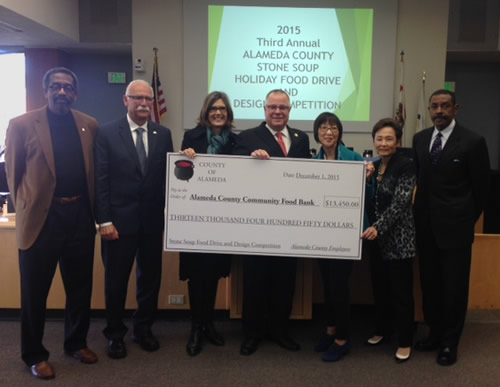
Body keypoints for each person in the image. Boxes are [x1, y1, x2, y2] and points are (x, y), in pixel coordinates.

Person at [5, 67, 98, 379]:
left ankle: (75, 343)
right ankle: (34, 354)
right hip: (42, 220)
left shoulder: (88, 124)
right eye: (56, 87)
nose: (62, 93)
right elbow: (14, 175)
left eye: (68, 88)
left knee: (80, 288)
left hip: (79, 217)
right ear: (45, 91)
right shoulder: (21, 124)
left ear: (75, 93)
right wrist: (28, 209)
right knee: (34, 292)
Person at [94, 79, 174, 359]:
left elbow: (169, 178)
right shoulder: (105, 133)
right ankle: (115, 334)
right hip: (117, 224)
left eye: (147, 99)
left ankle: (143, 329)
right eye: (137, 98)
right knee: (116, 282)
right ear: (125, 100)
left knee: (150, 279)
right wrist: (103, 220)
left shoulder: (163, 133)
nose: (143, 103)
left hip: (152, 223)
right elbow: (100, 179)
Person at [412, 89, 490, 366]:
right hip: (426, 228)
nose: (438, 111)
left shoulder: (472, 141)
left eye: (445, 106)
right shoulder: (420, 139)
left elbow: (482, 190)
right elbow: (420, 179)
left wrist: (464, 218)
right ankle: (433, 334)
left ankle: (449, 343)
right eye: (434, 107)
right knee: (430, 284)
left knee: (454, 288)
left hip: (456, 229)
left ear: (456, 109)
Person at [233, 89, 310, 356]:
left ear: (290, 110)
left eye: (283, 107)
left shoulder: (301, 138)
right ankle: (251, 334)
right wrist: (249, 161)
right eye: (272, 107)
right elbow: (235, 174)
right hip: (258, 222)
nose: (278, 112)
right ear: (264, 109)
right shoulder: (247, 138)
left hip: (290, 223)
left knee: (284, 279)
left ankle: (280, 331)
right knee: (255, 280)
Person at [311, 112, 374, 362]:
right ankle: (330, 329)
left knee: (339, 286)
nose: (328, 132)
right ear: (317, 133)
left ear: (340, 132)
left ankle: (342, 339)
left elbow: (369, 198)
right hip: (321, 234)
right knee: (326, 284)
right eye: (323, 128)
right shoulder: (311, 163)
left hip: (346, 234)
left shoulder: (355, 159)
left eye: (333, 127)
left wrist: (368, 178)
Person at [179, 91, 236, 356]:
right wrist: (184, 157)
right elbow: (180, 172)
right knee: (196, 274)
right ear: (206, 111)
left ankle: (209, 325)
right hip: (195, 220)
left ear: (228, 113)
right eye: (214, 108)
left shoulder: (236, 141)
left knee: (212, 274)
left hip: (222, 221)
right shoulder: (192, 137)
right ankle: (195, 328)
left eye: (223, 109)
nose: (218, 113)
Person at [361, 118, 416, 363]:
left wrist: (378, 227)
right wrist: (366, 178)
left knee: (401, 293)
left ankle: (405, 340)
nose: (383, 143)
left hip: (399, 241)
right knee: (380, 289)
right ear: (374, 141)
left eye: (388, 139)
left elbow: (400, 203)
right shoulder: (373, 165)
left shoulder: (406, 165)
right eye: (379, 139)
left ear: (398, 142)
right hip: (376, 241)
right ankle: (383, 329)